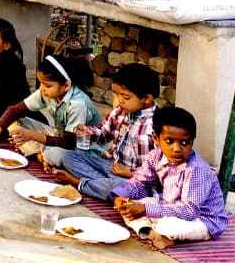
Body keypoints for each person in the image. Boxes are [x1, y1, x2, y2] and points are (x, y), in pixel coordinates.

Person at [112, 106, 227, 250]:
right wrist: (120, 198)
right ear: (156, 138)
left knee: (169, 225)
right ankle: (151, 231)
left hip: (202, 220)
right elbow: (140, 183)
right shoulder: (155, 156)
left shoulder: (196, 169)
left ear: (192, 141)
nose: (177, 149)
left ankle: (162, 234)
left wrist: (146, 210)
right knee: (131, 205)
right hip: (169, 208)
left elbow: (190, 211)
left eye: (184, 142)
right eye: (169, 141)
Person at [51, 64, 158, 200]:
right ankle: (102, 186)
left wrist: (131, 174)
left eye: (125, 96)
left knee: (121, 186)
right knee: (69, 157)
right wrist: (89, 131)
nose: (120, 100)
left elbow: (158, 169)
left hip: (135, 179)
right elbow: (104, 133)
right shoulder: (121, 110)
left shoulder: (157, 124)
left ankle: (82, 183)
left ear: (147, 99)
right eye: (118, 94)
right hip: (110, 167)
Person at [0, 53, 101, 166]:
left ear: (66, 85)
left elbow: (69, 142)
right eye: (41, 83)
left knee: (55, 156)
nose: (42, 89)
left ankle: (40, 153)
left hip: (82, 149)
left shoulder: (77, 104)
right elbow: (14, 111)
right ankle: (40, 154)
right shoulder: (47, 92)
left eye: (47, 85)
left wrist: (33, 136)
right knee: (14, 124)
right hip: (59, 136)